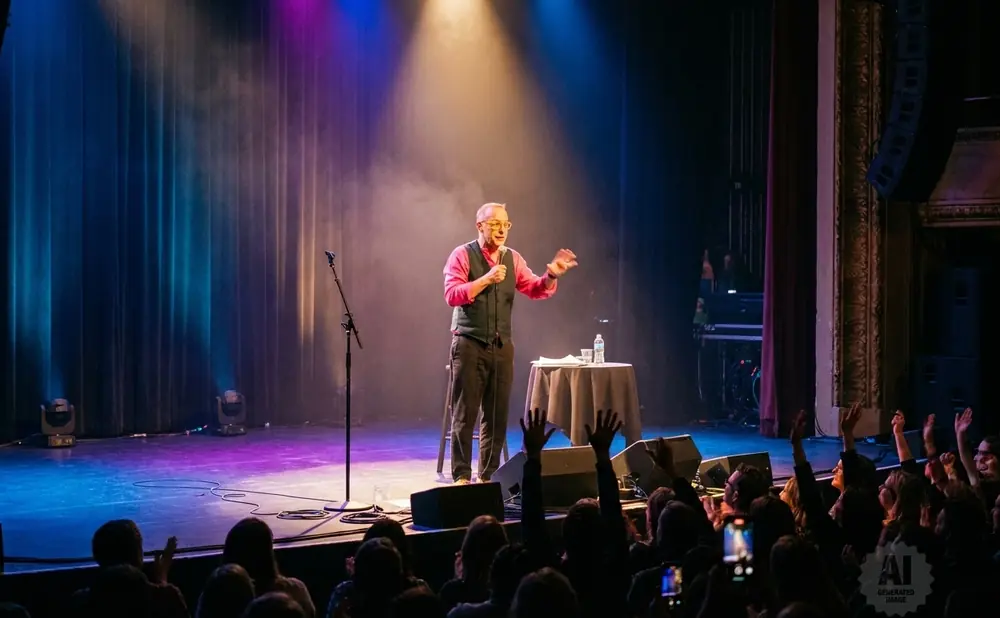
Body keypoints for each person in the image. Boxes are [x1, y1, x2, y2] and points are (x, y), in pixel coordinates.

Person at [443, 203, 577, 484]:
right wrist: (486, 279)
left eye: (506, 224)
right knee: (465, 414)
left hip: (501, 346)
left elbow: (536, 289)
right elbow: (452, 294)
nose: (501, 229)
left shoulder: (512, 258)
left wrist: (551, 274)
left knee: (496, 415)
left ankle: (489, 476)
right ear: (479, 226)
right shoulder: (462, 255)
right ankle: (461, 476)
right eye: (494, 224)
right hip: (469, 342)